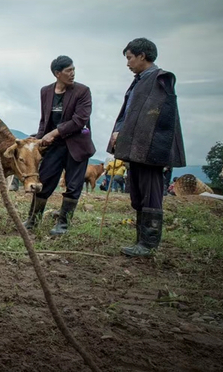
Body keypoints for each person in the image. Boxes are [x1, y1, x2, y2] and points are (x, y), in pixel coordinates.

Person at [109, 38, 185, 257]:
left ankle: (148, 244)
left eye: (130, 58)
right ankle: (140, 241)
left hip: (151, 149)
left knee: (151, 194)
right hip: (136, 148)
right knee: (138, 194)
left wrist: (126, 133)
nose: (128, 63)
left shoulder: (161, 80)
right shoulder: (139, 81)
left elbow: (155, 117)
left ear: (142, 56)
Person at [25, 56, 96, 235]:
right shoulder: (46, 91)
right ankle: (33, 219)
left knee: (73, 185)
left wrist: (54, 133)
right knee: (45, 181)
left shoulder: (82, 91)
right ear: (58, 73)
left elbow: (79, 120)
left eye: (73, 69)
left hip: (77, 145)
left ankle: (63, 224)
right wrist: (39, 140)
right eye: (68, 71)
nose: (72, 73)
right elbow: (45, 121)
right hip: (55, 147)